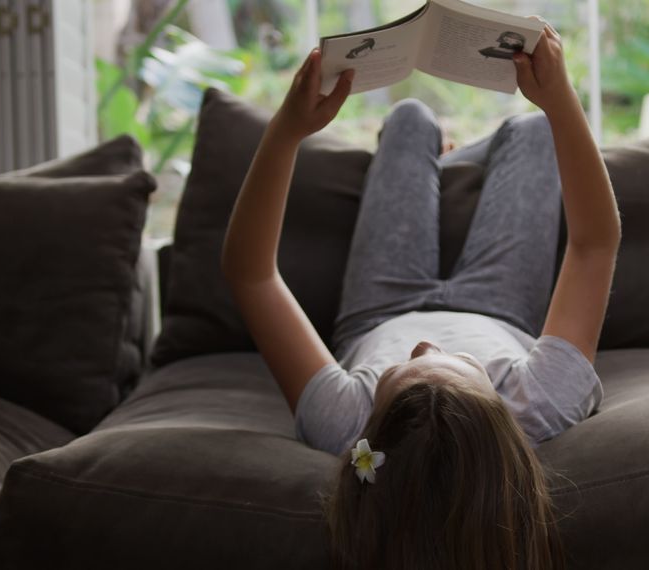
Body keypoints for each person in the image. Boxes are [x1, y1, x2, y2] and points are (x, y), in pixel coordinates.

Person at [222, 18, 620, 570]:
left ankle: (439, 155)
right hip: (498, 303)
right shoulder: (544, 402)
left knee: (410, 118)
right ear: (503, 417)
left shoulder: (341, 421)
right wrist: (559, 100)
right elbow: (595, 245)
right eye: (456, 363)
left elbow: (250, 275)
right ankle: (469, 158)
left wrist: (287, 131)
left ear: (371, 429)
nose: (426, 346)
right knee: (532, 131)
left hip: (380, 305)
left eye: (400, 371)